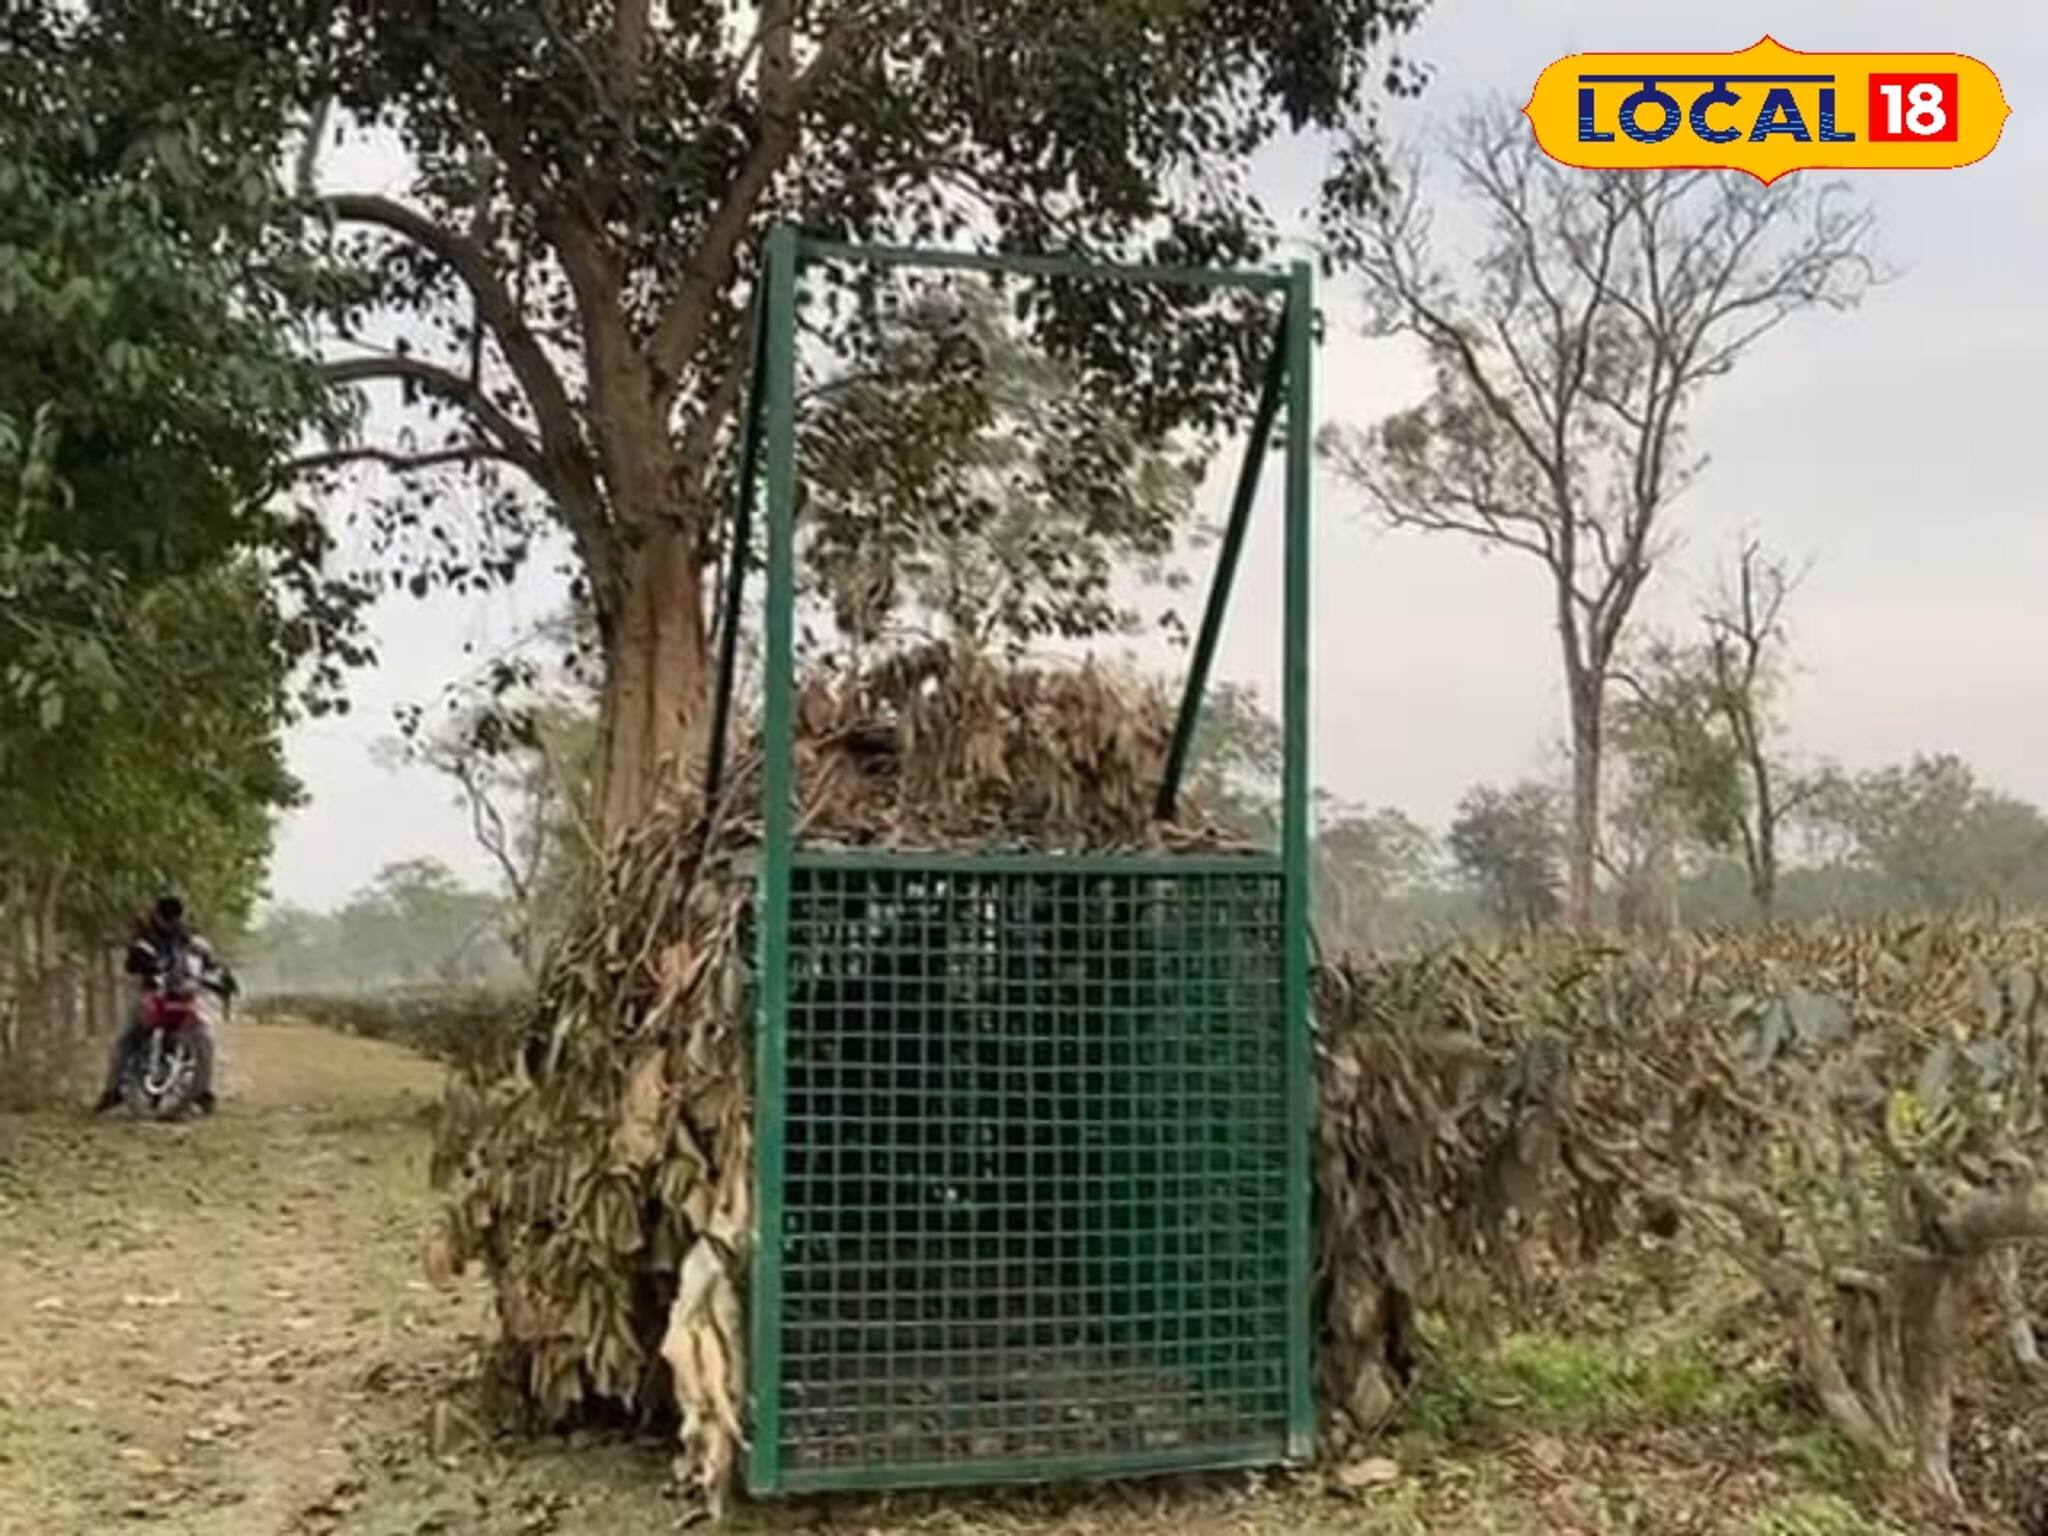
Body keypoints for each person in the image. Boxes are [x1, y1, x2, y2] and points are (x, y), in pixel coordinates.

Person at [92, 891, 236, 1115]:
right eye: (165, 918)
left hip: (185, 999)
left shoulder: (191, 942)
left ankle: (202, 1091)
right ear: (156, 915)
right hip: (152, 996)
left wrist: (221, 979)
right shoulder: (145, 939)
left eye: (174, 919)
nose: (169, 923)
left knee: (205, 1039)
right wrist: (144, 966)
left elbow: (212, 964)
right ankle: (113, 1090)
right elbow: (132, 964)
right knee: (125, 1038)